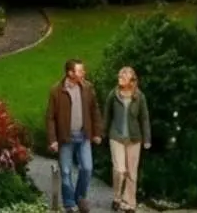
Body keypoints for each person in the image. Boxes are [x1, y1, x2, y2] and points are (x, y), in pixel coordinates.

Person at [45, 59, 100, 213]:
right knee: (66, 171)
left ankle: (80, 197)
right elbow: (50, 117)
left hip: (83, 136)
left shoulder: (88, 88)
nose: (84, 73)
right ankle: (69, 204)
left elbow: (95, 110)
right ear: (70, 73)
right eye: (80, 71)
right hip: (66, 138)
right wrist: (53, 139)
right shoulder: (56, 90)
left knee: (87, 168)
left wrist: (97, 132)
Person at [104, 66, 152, 213]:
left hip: (134, 138)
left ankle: (129, 202)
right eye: (119, 75)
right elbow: (107, 115)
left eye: (123, 76)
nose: (120, 78)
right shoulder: (114, 94)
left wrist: (147, 138)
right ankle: (117, 197)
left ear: (132, 80)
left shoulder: (139, 96)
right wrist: (101, 133)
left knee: (132, 172)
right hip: (116, 136)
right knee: (119, 170)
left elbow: (144, 119)